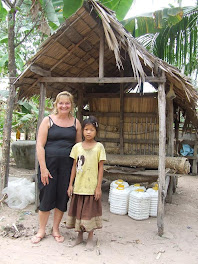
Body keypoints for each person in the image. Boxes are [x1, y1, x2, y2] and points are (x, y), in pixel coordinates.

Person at [31, 91, 82, 244]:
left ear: (71, 105)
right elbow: (40, 145)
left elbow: (78, 148)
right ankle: (41, 230)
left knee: (62, 197)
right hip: (49, 166)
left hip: (67, 167)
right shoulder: (48, 121)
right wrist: (44, 168)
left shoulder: (76, 123)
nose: (64, 106)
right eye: (61, 103)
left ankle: (55, 229)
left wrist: (77, 172)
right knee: (46, 196)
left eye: (67, 103)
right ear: (56, 105)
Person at [66, 116, 106, 250]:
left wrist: (98, 187)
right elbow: (74, 167)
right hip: (79, 187)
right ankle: (79, 237)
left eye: (92, 130)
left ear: (96, 132)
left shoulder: (99, 147)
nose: (89, 132)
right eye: (86, 129)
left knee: (89, 213)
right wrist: (70, 184)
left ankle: (90, 238)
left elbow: (101, 168)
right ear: (82, 131)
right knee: (79, 213)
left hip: (91, 187)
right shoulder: (77, 147)